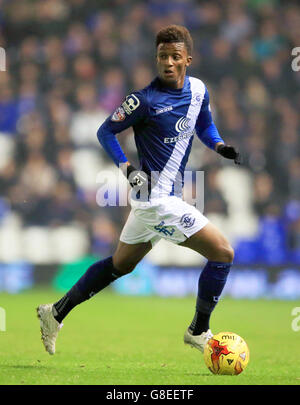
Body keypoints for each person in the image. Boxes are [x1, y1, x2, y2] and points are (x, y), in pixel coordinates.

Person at [37, 25, 241, 355]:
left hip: (156, 202)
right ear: (155, 58)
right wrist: (126, 169)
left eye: (176, 56)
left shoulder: (200, 91)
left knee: (120, 265)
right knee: (223, 253)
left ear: (188, 59)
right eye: (163, 56)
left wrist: (218, 146)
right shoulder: (143, 100)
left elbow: (202, 123)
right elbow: (106, 132)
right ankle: (198, 330)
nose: (169, 63)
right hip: (157, 200)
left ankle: (55, 312)